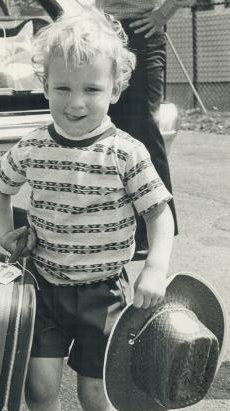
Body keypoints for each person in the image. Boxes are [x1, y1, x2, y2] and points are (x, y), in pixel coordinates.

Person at [0, 8, 174, 411]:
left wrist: (155, 265)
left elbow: (159, 212)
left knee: (99, 396)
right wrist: (4, 234)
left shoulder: (126, 152)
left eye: (92, 88)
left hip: (105, 295)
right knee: (39, 385)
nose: (75, 102)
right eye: (62, 87)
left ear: (116, 89)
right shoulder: (33, 146)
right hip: (44, 287)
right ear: (43, 84)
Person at [100, 0, 196, 251]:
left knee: (144, 130)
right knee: (110, 132)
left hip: (143, 31)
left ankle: (154, 233)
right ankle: (117, 229)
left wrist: (163, 13)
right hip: (104, 32)